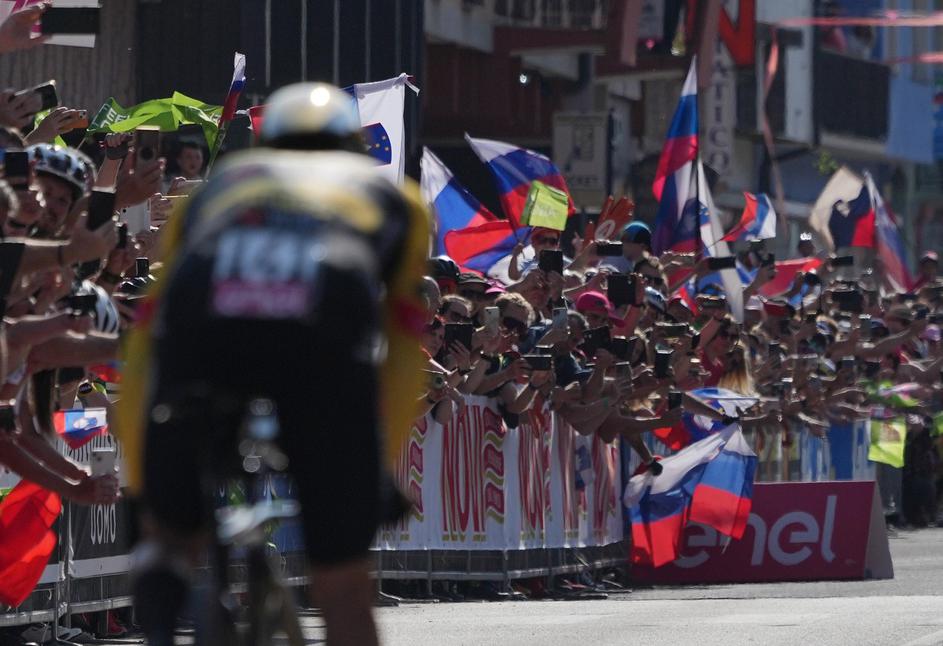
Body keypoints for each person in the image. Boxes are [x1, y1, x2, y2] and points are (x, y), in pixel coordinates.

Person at [119, 83, 429, 646]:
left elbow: (147, 334)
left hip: (203, 331)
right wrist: (380, 464)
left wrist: (141, 482)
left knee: (169, 530)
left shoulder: (215, 190)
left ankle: (163, 576)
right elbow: (405, 349)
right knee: (342, 583)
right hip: (321, 333)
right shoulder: (399, 200)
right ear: (353, 148)